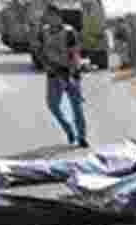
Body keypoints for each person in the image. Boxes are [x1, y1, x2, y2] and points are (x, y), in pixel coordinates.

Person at [40, 3, 88, 147]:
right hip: (53, 73)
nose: (48, 18)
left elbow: (74, 54)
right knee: (53, 105)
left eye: (51, 15)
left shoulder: (69, 32)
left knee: (76, 106)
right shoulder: (44, 32)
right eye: (47, 16)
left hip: (69, 73)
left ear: (58, 16)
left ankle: (82, 137)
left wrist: (72, 77)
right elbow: (42, 51)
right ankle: (69, 130)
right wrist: (47, 65)